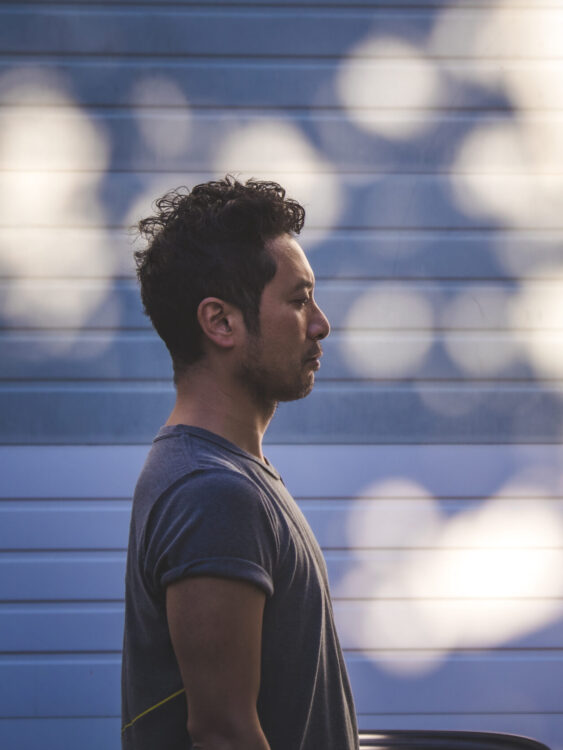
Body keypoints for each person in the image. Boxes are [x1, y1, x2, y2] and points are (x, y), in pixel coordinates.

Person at [121, 176, 359, 750]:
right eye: (299, 300)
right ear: (221, 322)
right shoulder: (211, 492)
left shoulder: (226, 478)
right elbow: (224, 734)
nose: (321, 323)